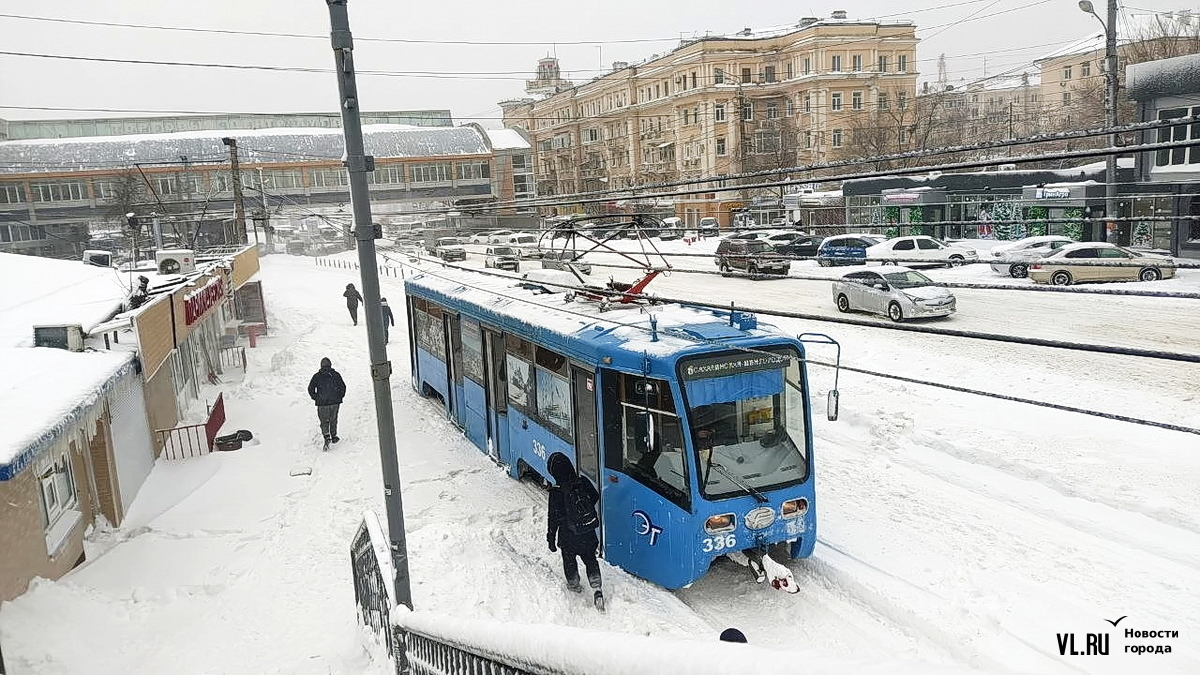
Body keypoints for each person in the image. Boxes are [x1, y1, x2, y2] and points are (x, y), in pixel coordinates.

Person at [546, 452, 604, 610]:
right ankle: (597, 587)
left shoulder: (556, 493)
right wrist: (582, 510)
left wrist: (551, 539)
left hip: (568, 536)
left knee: (569, 561)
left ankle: (574, 586)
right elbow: (595, 495)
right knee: (590, 559)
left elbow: (553, 519)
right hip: (587, 532)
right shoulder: (582, 482)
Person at [307, 357, 346, 446]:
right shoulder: (336, 375)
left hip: (322, 403)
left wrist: (316, 397)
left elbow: (310, 388)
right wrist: (339, 396)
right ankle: (334, 436)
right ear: (330, 365)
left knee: (324, 420)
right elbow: (343, 387)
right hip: (335, 402)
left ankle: (326, 436)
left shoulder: (316, 376)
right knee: (333, 419)